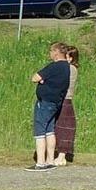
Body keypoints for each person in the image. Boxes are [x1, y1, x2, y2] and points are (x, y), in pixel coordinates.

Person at [28, 43, 72, 171]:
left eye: (51, 51)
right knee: (50, 130)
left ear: (56, 53)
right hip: (56, 102)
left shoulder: (55, 66)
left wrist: (42, 80)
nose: (50, 54)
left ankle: (40, 162)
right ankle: (50, 160)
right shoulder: (66, 67)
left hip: (46, 101)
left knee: (40, 130)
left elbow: (35, 78)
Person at [54, 42, 80, 166]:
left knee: (64, 127)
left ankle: (62, 154)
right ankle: (57, 152)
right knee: (58, 126)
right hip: (61, 99)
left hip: (65, 99)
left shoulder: (71, 69)